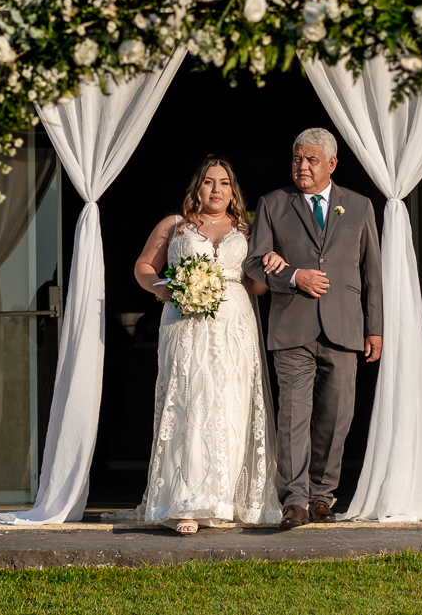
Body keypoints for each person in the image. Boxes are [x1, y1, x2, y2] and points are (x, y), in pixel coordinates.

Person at [131, 156, 284, 534]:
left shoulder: (247, 230)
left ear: (233, 191)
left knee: (229, 407)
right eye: (209, 182)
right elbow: (144, 266)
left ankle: (221, 500)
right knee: (189, 404)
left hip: (234, 324)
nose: (216, 190)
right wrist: (162, 289)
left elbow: (257, 287)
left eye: (224, 183)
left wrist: (271, 264)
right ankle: (186, 502)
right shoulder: (176, 225)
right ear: (196, 188)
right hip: (185, 322)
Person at [244, 128, 383, 528]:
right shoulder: (273, 204)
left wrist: (374, 328)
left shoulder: (358, 207)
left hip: (344, 328)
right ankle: (295, 500)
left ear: (331, 164)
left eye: (310, 160)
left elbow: (371, 271)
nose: (301, 167)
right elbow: (254, 264)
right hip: (291, 328)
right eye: (296, 159)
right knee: (293, 415)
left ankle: (323, 495)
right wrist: (292, 276)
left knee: (336, 417)